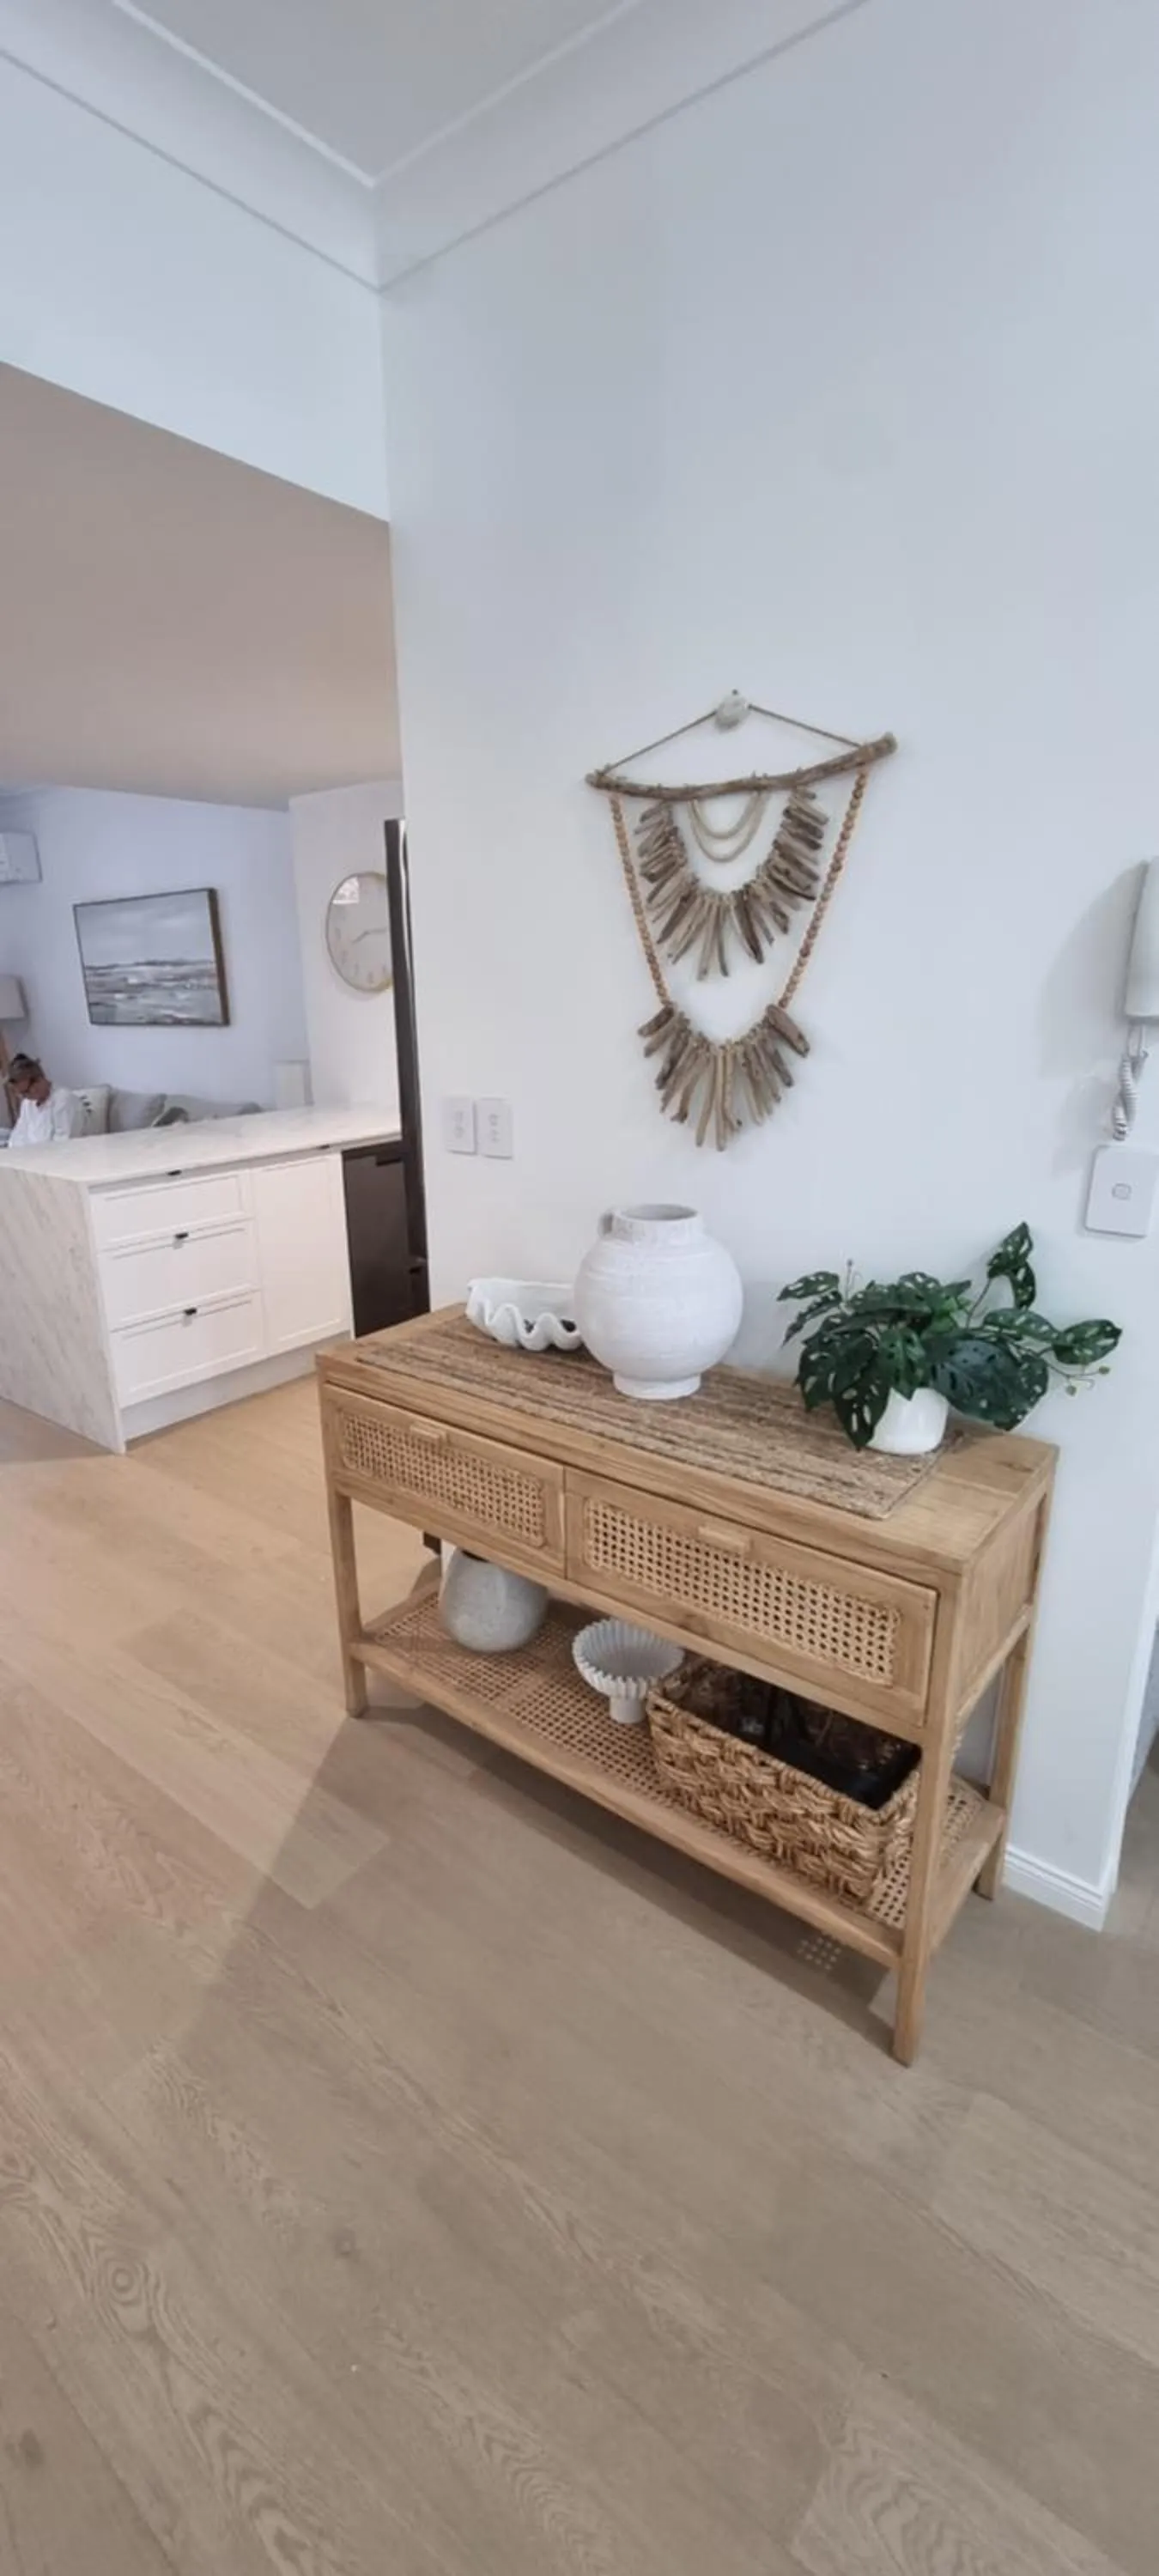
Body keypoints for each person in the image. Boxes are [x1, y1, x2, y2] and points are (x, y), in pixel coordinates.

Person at [5, 1053, 85, 1148]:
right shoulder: (27, 1104)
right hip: (30, 1159)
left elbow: (64, 1143)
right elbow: (17, 1137)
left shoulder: (63, 1100)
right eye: (21, 1094)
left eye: (26, 1091)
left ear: (39, 1080)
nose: (24, 1097)